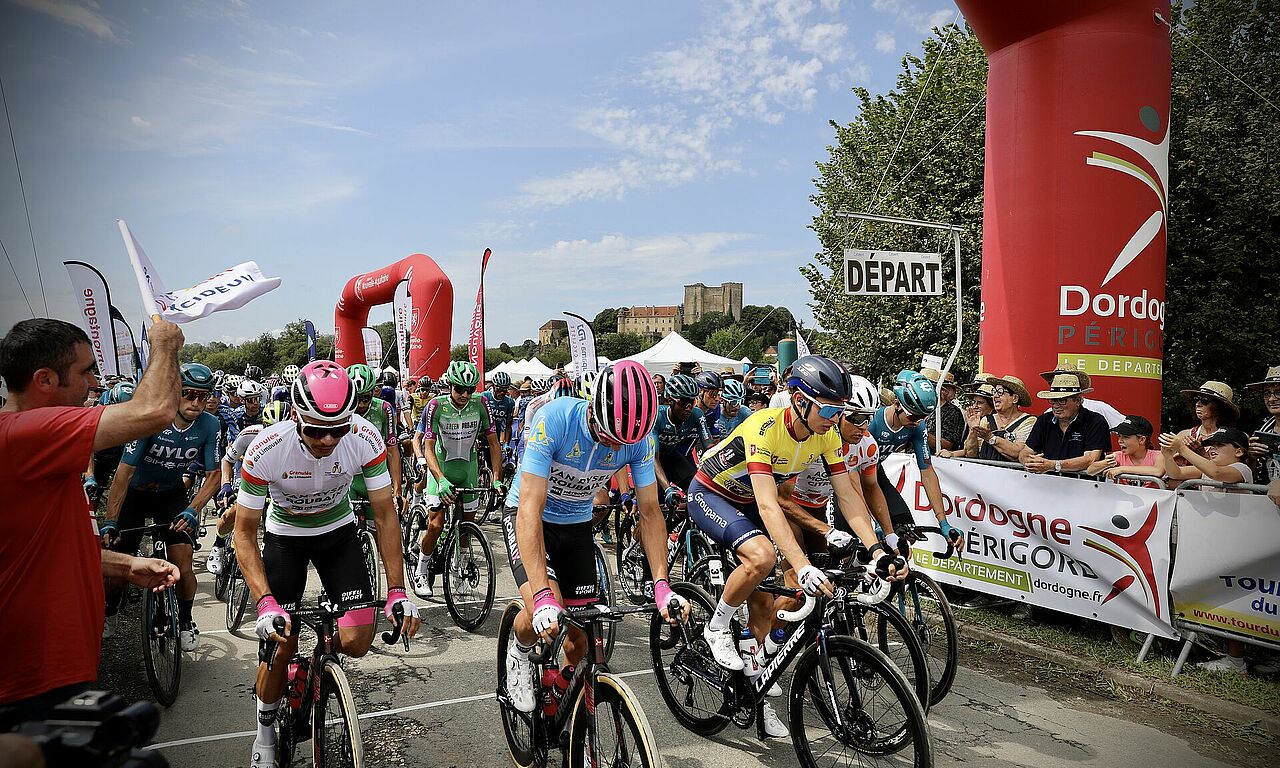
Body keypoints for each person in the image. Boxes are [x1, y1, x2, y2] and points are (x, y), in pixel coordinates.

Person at [687, 356, 904, 738]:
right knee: (763, 556)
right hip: (713, 493)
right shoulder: (764, 428)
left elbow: (848, 497)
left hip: (749, 502)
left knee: (763, 606)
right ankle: (716, 627)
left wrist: (877, 550)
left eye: (840, 410)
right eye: (830, 410)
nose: (835, 418)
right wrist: (802, 565)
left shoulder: (827, 435)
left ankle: (754, 693)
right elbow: (770, 506)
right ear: (800, 401)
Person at [234, 360, 420, 767]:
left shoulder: (364, 437)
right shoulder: (266, 448)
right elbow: (243, 534)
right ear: (295, 415)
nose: (328, 439)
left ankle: (319, 660)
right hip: (285, 536)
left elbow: (385, 515)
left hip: (337, 531)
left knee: (357, 641)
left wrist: (397, 590)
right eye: (316, 430)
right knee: (280, 641)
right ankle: (264, 732)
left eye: (338, 429)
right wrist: (264, 602)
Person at [0, 318, 180, 720]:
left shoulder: (33, 441)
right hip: (31, 678)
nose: (94, 383)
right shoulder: (23, 432)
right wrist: (165, 344)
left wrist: (125, 565)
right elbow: (154, 411)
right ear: (45, 380)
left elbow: (46, 549)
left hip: (52, 670)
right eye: (85, 372)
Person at [502, 362, 686, 715]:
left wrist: (662, 585)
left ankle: (559, 692)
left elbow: (650, 512)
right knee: (546, 610)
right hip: (530, 516)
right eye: (609, 436)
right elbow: (529, 509)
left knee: (581, 639)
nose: (615, 448)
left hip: (576, 524)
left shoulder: (639, 440)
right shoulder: (555, 420)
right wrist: (541, 595)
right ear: (593, 408)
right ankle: (519, 651)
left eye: (623, 443)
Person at [100, 363, 223, 648]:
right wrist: (110, 520)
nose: (196, 402)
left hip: (171, 495)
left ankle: (186, 621)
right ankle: (110, 609)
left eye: (203, 396)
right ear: (175, 391)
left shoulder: (210, 425)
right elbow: (123, 474)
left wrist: (193, 509)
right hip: (135, 494)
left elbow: (214, 475)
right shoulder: (152, 418)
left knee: (184, 564)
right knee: (118, 570)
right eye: (189, 394)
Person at [410, 361, 503, 598]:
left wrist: (496, 479)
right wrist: (440, 479)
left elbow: (494, 444)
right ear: (450, 385)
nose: (465, 395)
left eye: (470, 390)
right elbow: (428, 446)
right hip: (441, 469)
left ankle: (458, 570)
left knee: (466, 530)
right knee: (436, 525)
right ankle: (421, 570)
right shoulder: (436, 405)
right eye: (460, 389)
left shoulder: (481, 403)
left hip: (468, 471)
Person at [207, 401, 291, 575]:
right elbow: (227, 461)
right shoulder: (249, 434)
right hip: (247, 475)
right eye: (271, 430)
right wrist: (226, 486)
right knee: (233, 512)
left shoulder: (297, 441)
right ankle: (218, 545)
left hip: (274, 483)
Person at [1018, 370, 1109, 474]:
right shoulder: (1044, 420)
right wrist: (1028, 461)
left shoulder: (1096, 421)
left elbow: (1091, 459)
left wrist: (1054, 465)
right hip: (1047, 482)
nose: (1056, 405)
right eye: (1053, 400)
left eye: (1062, 400)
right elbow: (1025, 451)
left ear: (1077, 401)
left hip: (1084, 483)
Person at [346, 364, 402, 508]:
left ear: (374, 391)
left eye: (366, 398)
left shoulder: (384, 408)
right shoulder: (340, 409)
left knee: (381, 521)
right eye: (356, 399)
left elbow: (392, 450)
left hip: (376, 476)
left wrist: (397, 490)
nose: (361, 404)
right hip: (348, 479)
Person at [650, 374, 711, 494]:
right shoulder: (657, 416)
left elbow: (710, 447)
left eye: (692, 402)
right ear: (670, 401)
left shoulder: (696, 414)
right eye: (683, 402)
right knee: (658, 496)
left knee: (696, 489)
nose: (688, 408)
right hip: (651, 458)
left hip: (671, 455)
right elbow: (654, 458)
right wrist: (667, 489)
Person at [1086, 416, 1165, 486]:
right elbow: (1090, 471)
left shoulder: (1158, 456)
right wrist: (1106, 463)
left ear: (1141, 439)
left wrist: (1121, 469)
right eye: (1119, 436)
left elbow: (1158, 471)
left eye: (1125, 437)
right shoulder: (1118, 456)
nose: (1120, 441)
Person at [1245, 366, 1280, 484]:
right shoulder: (1262, 433)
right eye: (1266, 393)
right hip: (1264, 494)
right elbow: (1251, 480)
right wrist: (1251, 458)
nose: (1271, 399)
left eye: (1278, 392)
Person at [945, 381, 996, 459]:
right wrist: (951, 453)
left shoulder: (995, 422)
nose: (975, 406)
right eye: (974, 402)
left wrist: (952, 453)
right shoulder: (975, 420)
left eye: (980, 403)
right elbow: (968, 450)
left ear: (991, 404)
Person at [921, 368, 965, 452]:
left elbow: (947, 446)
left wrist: (920, 431)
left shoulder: (952, 412)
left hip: (933, 459)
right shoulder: (921, 408)